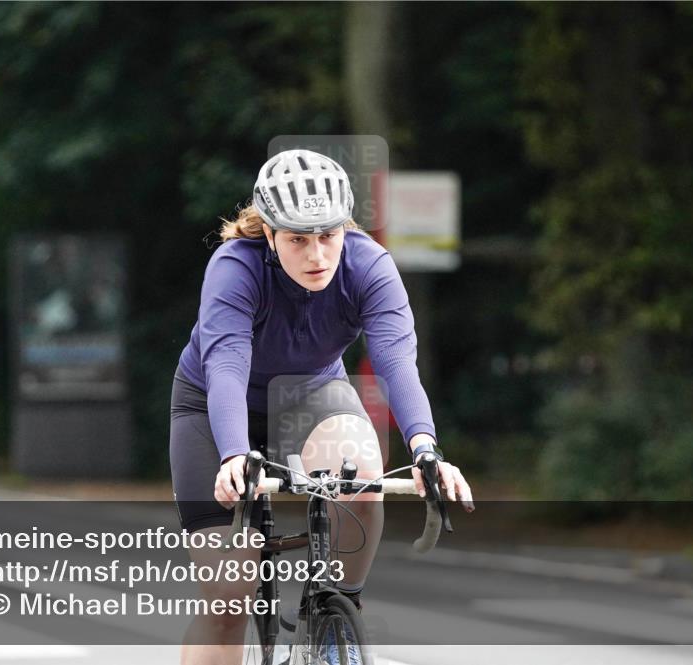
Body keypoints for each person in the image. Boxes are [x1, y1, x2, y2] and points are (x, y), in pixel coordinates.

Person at [170, 149, 474, 665]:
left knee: (362, 475)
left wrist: (426, 448)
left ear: (345, 228)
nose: (317, 256)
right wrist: (232, 455)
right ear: (268, 234)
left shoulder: (369, 266)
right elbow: (225, 365)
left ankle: (337, 612)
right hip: (212, 406)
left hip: (310, 394)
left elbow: (397, 361)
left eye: (328, 236)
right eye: (297, 239)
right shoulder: (234, 268)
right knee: (227, 601)